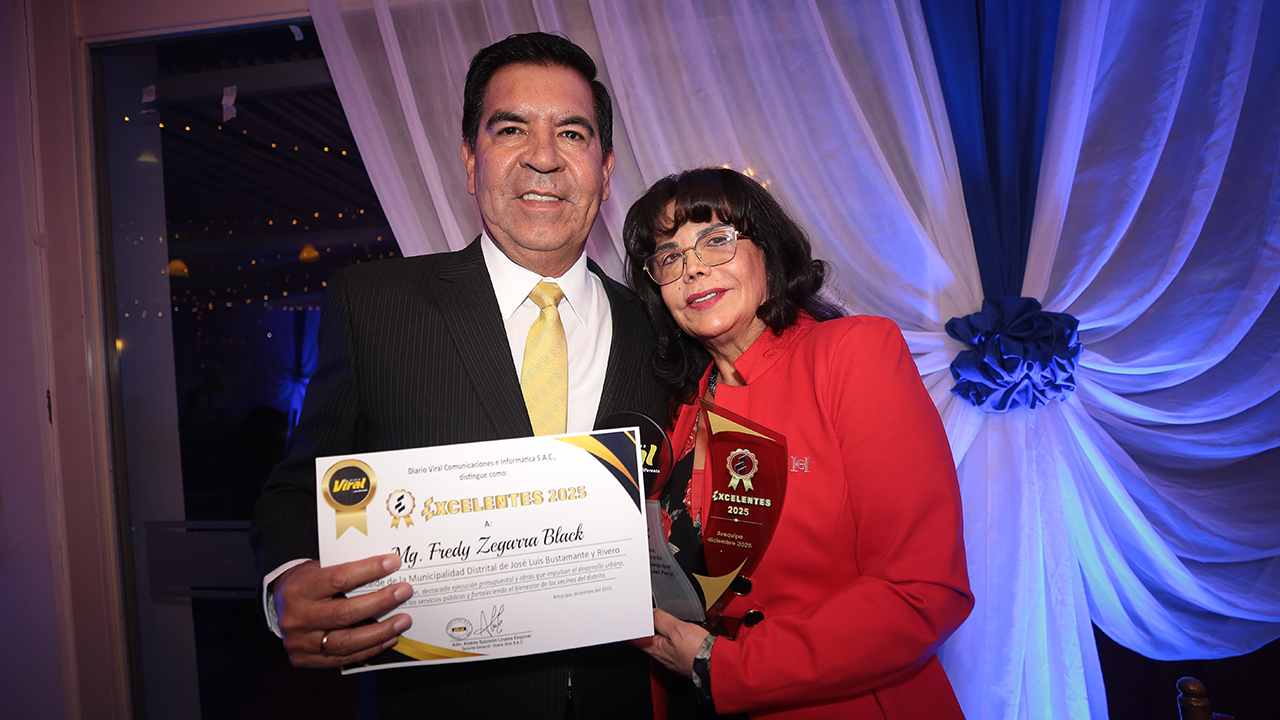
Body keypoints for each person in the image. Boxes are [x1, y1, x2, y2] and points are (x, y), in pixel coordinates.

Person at [249, 32, 666, 719]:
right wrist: (288, 582)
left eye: (571, 132)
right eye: (511, 129)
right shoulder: (375, 307)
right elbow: (297, 488)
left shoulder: (662, 328)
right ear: (471, 161)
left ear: (606, 167)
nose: (543, 156)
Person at [622, 168, 974, 719]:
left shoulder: (853, 355)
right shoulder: (678, 411)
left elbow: (921, 592)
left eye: (716, 239)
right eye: (669, 256)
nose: (693, 267)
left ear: (767, 250)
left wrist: (723, 666)